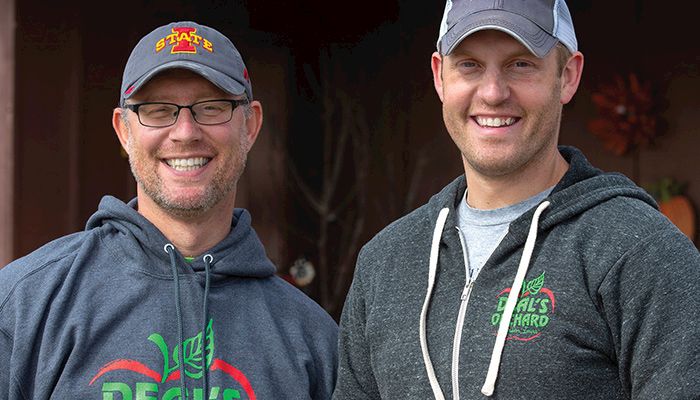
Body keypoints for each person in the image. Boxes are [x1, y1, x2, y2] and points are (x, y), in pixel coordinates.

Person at [333, 1, 700, 399]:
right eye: (469, 64)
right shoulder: (385, 262)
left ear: (568, 76)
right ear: (440, 76)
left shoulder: (641, 252)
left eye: (520, 64)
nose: (492, 93)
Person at [0, 21, 338, 399]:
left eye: (211, 108)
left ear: (251, 124)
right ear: (124, 132)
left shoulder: (313, 339)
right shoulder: (27, 303)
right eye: (158, 111)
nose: (185, 132)